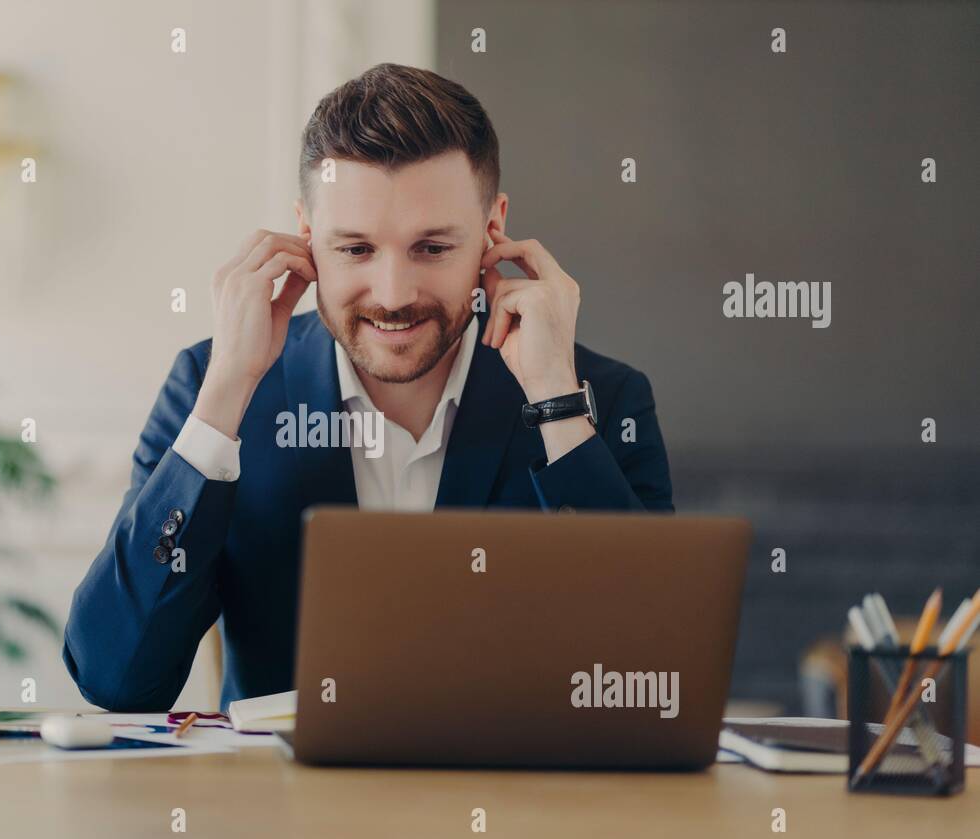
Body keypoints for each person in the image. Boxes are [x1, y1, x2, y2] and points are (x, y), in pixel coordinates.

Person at [63, 63, 673, 712]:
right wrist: (223, 401)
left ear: (493, 231)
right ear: (306, 238)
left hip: (515, 809)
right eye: (355, 250)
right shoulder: (210, 386)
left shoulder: (601, 397)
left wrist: (555, 401)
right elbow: (115, 678)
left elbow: (652, 676)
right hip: (286, 808)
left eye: (432, 248)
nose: (393, 296)